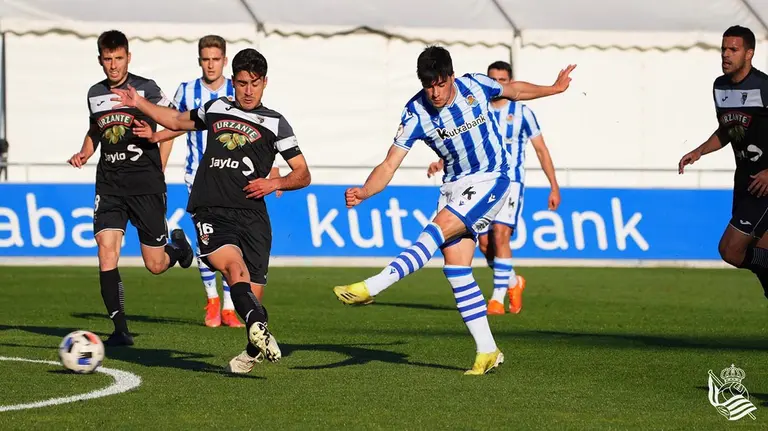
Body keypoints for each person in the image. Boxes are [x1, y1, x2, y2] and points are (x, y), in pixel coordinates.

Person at [332, 45, 575, 375]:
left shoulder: (475, 85)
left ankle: (373, 287)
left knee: (435, 229)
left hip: (493, 178)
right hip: (454, 187)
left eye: (440, 83)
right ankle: (488, 350)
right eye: (427, 84)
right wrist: (364, 191)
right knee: (456, 269)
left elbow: (514, 90)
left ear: (451, 76)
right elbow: (390, 164)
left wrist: (554, 88)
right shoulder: (415, 114)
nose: (434, 91)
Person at [111, 48, 312, 374]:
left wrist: (274, 184)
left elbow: (302, 173)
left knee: (254, 302)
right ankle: (257, 327)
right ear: (233, 82)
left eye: (255, 84)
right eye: (243, 83)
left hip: (254, 218)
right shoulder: (217, 107)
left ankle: (251, 347)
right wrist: (139, 103)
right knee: (234, 271)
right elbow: (177, 120)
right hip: (211, 210)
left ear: (265, 83)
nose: (248, 91)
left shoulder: (276, 123)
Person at [132, 35, 281, 329]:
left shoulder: (237, 88)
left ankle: (229, 306)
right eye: (205, 59)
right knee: (211, 243)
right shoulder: (188, 90)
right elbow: (177, 121)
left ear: (224, 61)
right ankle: (213, 300)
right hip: (200, 178)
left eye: (215, 59)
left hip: (238, 182)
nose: (210, 65)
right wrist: (159, 144)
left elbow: (259, 133)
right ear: (199, 60)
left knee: (235, 250)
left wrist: (273, 171)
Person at [67, 30, 194, 347]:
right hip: (109, 185)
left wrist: (157, 143)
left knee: (154, 265)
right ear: (100, 60)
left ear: (128, 57)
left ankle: (176, 248)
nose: (113, 65)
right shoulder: (95, 94)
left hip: (145, 184)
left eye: (118, 58)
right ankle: (120, 330)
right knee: (106, 251)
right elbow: (95, 129)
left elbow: (177, 122)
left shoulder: (146, 89)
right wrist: (85, 151)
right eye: (107, 59)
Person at [426, 61, 561, 315]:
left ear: (510, 82)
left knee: (501, 235)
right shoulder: (477, 108)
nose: (498, 84)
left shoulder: (523, 113)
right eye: (493, 79)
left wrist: (554, 186)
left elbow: (541, 150)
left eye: (503, 80)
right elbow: (466, 145)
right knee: (486, 244)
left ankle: (497, 298)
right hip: (482, 183)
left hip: (511, 181)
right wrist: (441, 161)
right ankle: (513, 282)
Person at [679, 25, 768, 300]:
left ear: (749, 53)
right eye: (723, 49)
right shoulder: (720, 87)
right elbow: (728, 130)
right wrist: (701, 150)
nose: (726, 55)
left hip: (764, 184)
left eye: (733, 49)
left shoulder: (764, 87)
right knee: (763, 262)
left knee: (730, 250)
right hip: (744, 182)